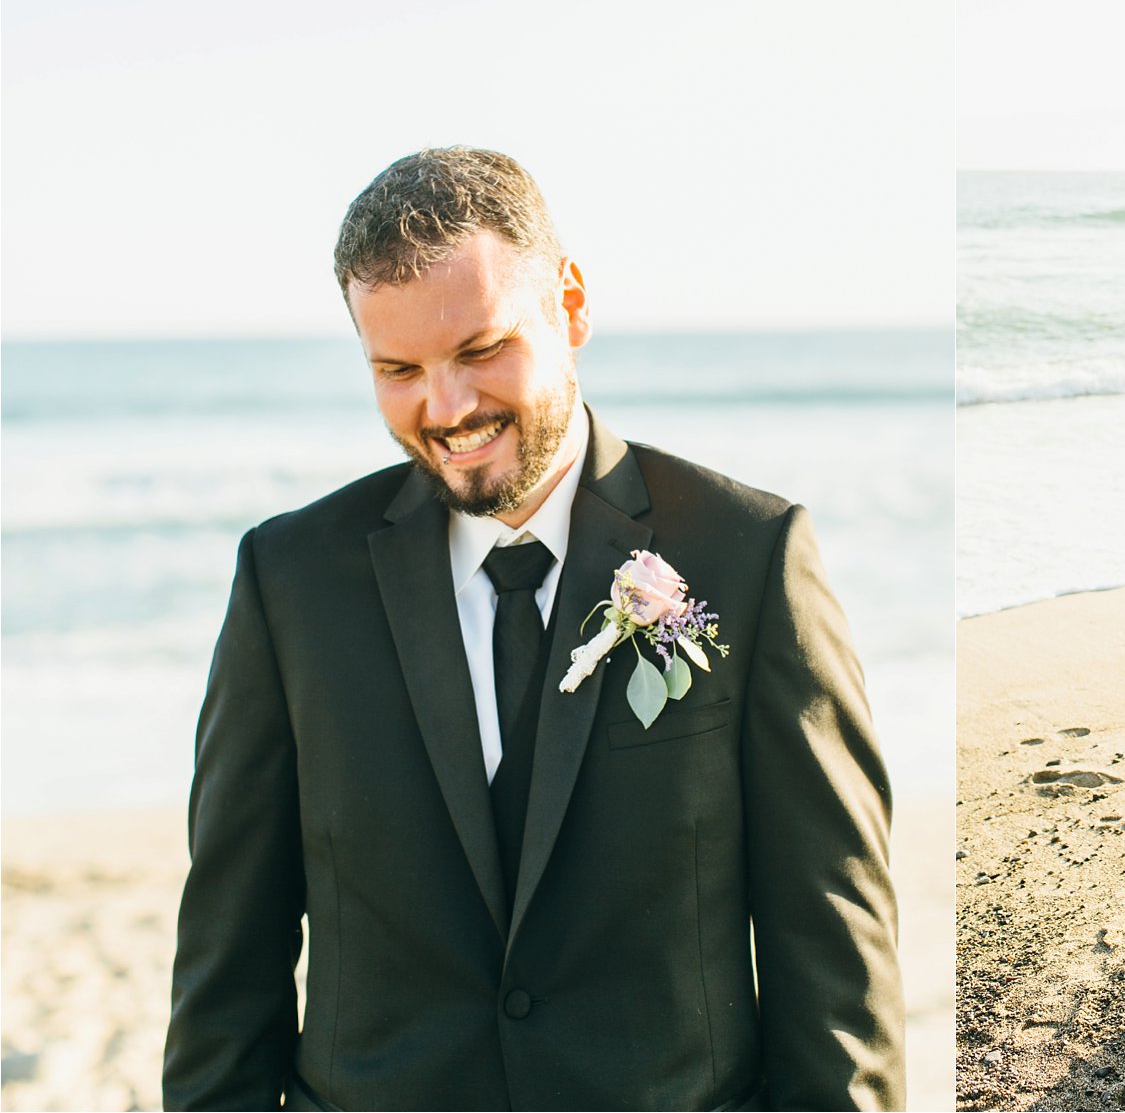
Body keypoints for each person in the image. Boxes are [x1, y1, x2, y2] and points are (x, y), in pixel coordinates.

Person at [163, 147, 905, 1111]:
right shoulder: (289, 582)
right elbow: (229, 958)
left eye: (480, 351)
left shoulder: (750, 556)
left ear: (572, 303)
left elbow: (833, 948)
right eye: (397, 370)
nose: (447, 408)